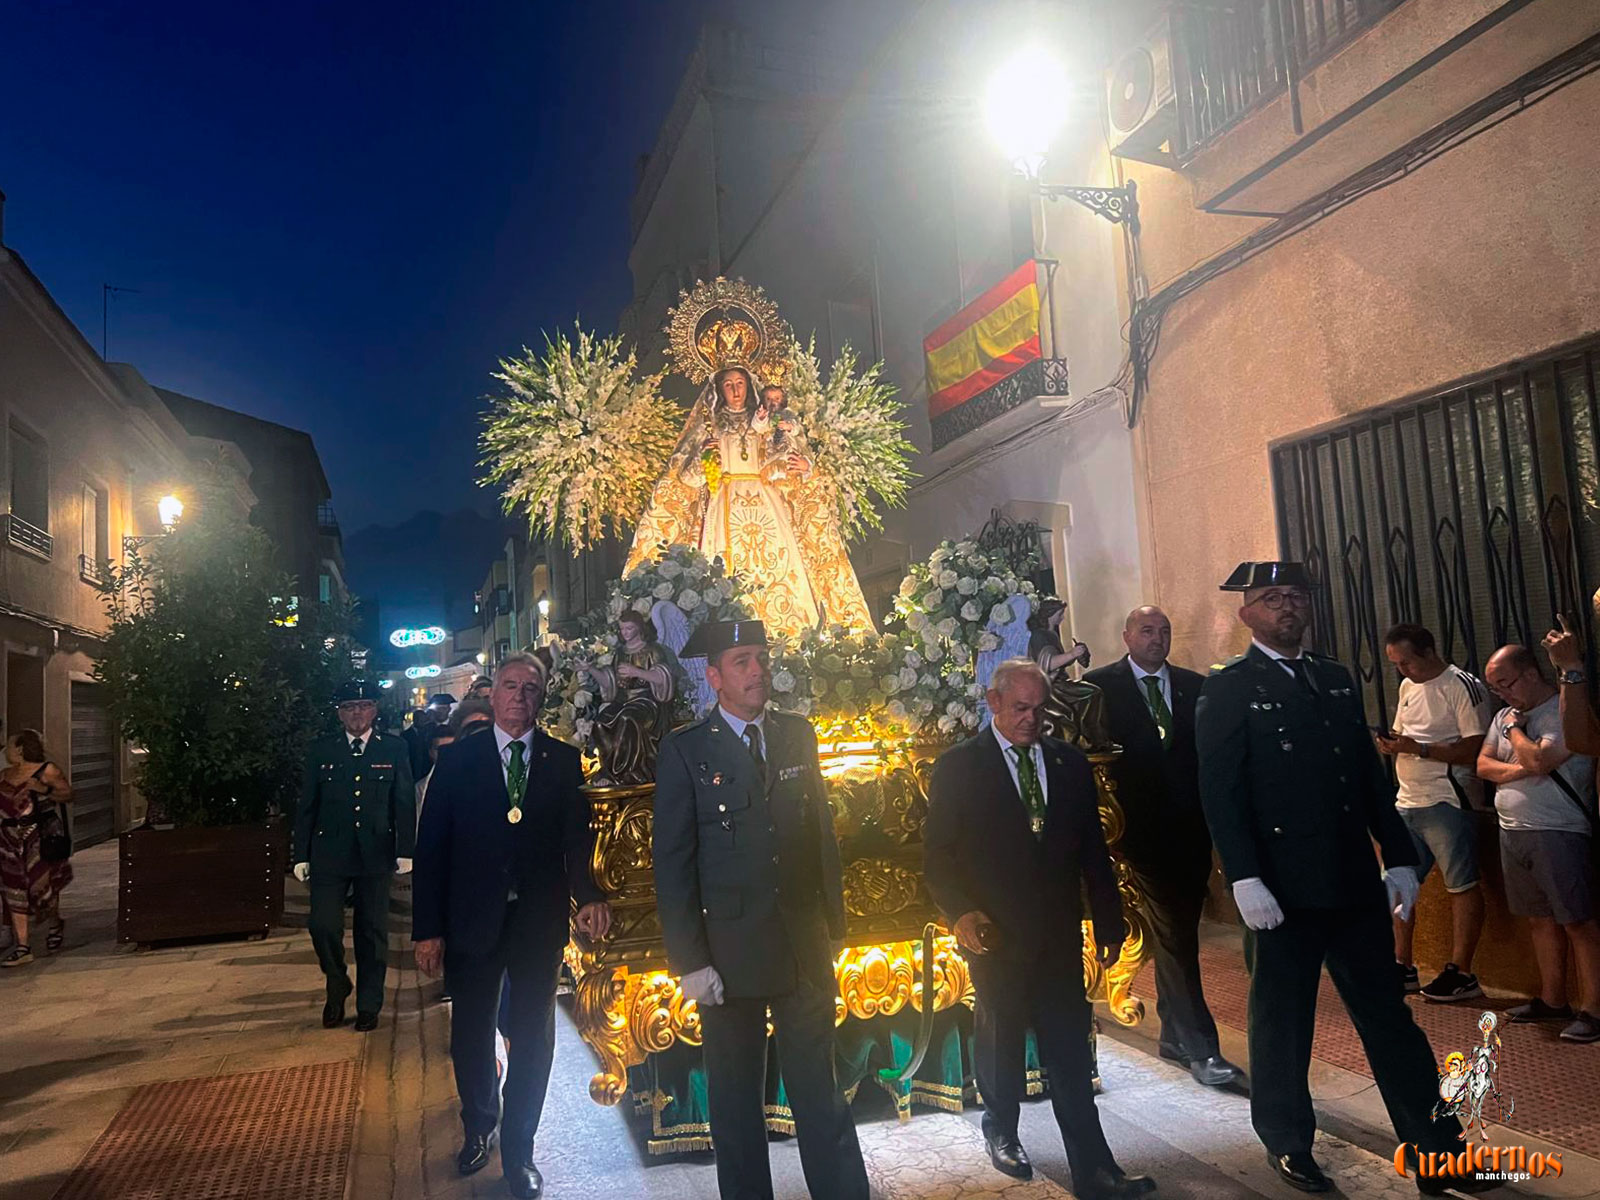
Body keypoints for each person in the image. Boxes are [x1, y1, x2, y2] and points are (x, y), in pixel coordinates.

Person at [1197, 562, 1495, 1194]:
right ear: (1246, 613)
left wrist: (1399, 857)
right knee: (1283, 1022)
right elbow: (1220, 793)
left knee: (1390, 1019)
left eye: (1295, 597)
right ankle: (1287, 1143)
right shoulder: (1228, 687)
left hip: (1352, 882)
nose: (1286, 608)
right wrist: (1243, 879)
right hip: (1278, 892)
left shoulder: (1333, 679)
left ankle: (1438, 1152)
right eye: (1271, 599)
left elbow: (1364, 778)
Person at [653, 619, 868, 1200]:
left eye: (762, 659)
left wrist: (832, 925)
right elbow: (672, 866)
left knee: (819, 1091)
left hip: (801, 944)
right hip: (729, 954)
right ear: (716, 676)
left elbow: (820, 833)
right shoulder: (687, 750)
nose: (758, 670)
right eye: (743, 661)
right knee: (736, 1100)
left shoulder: (797, 734)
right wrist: (690, 962)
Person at [925, 658, 1154, 1195]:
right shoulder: (960, 766)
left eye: (1039, 708)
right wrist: (960, 913)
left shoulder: (1069, 763)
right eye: (1020, 708)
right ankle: (1002, 1130)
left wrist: (1108, 919)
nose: (1031, 719)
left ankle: (1096, 1167)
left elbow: (1092, 852)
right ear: (994, 702)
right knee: (1001, 1037)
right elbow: (938, 858)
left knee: (1071, 1048)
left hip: (1056, 932)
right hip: (994, 933)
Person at [413, 654, 611, 1200]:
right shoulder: (458, 762)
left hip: (538, 924)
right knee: (471, 1033)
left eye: (530, 688)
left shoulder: (563, 762)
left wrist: (589, 896)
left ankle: (520, 1152)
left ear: (541, 698)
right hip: (471, 921)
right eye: (509, 686)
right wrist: (427, 929)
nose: (519, 696)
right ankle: (481, 1125)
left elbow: (576, 842)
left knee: (533, 1037)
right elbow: (431, 848)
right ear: (493, 695)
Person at [1085, 606, 1240, 1087]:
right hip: (1134, 833)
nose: (1157, 638)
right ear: (1127, 635)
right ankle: (1201, 1047)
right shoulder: (1098, 686)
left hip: (1191, 830)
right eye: (1147, 630)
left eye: (1164, 631)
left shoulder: (1196, 685)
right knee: (1174, 932)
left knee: (1181, 929)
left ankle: (1174, 1033)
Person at [1477, 644, 1599, 1043]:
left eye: (1506, 683)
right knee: (1539, 918)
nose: (1503, 694)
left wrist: (1514, 734)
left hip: (1557, 829)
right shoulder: (1502, 715)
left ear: (1531, 673)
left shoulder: (1561, 712)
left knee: (1577, 920)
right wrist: (1518, 769)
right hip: (1513, 829)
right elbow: (1482, 765)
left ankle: (1594, 1008)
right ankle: (1553, 998)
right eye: (1496, 688)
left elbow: (1541, 762)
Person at [1375, 624, 1494, 1001]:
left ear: (1428, 651)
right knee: (1398, 878)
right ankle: (1401, 963)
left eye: (1407, 661)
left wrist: (1421, 749)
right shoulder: (1408, 687)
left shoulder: (1461, 686)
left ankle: (1461, 970)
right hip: (1407, 798)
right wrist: (1394, 746)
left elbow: (1475, 747)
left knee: (1460, 883)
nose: (1403, 669)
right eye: (1396, 663)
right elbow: (1404, 733)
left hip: (1447, 799)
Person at [292, 680, 415, 1031]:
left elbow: (403, 802)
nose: (356, 713)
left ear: (374, 710)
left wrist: (405, 850)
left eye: (362, 706)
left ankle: (369, 1004)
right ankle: (337, 981)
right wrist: (301, 854)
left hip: (375, 851)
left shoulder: (393, 748)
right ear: (339, 713)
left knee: (372, 931)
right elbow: (307, 806)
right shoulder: (322, 750)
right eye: (349, 707)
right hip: (329, 850)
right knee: (323, 925)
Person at [581, 609, 681, 785]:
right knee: (600, 722)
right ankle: (608, 771)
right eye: (622, 629)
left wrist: (637, 672)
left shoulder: (652, 650)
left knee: (628, 719)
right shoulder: (620, 653)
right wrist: (589, 669)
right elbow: (609, 682)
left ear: (639, 628)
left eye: (629, 628)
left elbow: (663, 677)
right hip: (623, 701)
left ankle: (629, 772)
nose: (624, 633)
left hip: (647, 701)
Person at [0, 731, 72, 967]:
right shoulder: (4, 775)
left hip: (40, 837)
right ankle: (23, 946)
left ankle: (54, 922)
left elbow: (68, 794)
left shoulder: (46, 770)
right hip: (9, 839)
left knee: (43, 886)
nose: (6, 750)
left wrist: (44, 790)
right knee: (14, 889)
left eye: (10, 745)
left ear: (20, 748)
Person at [1027, 598, 1112, 751]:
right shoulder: (1039, 635)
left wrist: (1079, 656)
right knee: (1092, 693)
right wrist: (1072, 654)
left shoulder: (1051, 634)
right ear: (1049, 614)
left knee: (1093, 692)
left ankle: (1091, 738)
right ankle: (1090, 738)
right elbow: (1047, 664)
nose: (1062, 618)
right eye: (1060, 614)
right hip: (1051, 686)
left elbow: (1060, 663)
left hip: (1060, 682)